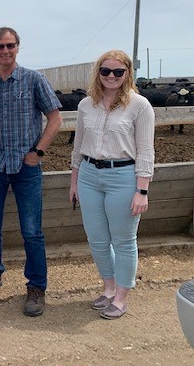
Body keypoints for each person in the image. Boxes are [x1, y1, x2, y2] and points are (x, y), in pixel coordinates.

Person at [0, 26, 62, 317]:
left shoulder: (34, 80)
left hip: (25, 167)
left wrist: (39, 151)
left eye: (10, 45)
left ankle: (36, 287)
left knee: (32, 231)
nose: (5, 51)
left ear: (18, 47)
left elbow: (55, 118)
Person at [69, 50, 154, 320]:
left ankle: (121, 296)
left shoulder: (140, 105)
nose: (112, 76)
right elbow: (78, 146)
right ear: (98, 73)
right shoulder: (86, 105)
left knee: (124, 240)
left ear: (128, 73)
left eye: (118, 71)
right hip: (89, 175)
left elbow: (146, 151)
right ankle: (108, 288)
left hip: (123, 177)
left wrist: (142, 190)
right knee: (97, 238)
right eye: (106, 71)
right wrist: (74, 182)